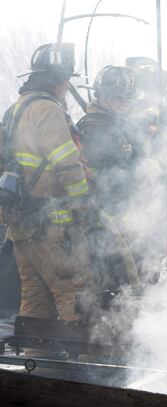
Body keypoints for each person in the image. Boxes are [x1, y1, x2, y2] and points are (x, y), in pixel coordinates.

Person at [2, 43, 94, 323]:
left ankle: (37, 358)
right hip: (51, 224)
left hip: (20, 226)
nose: (68, 86)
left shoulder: (14, 111)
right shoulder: (48, 110)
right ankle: (84, 363)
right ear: (57, 79)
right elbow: (67, 163)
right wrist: (84, 204)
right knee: (74, 291)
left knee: (35, 296)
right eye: (66, 79)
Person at [76, 65, 141, 292]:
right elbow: (106, 177)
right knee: (107, 279)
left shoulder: (116, 125)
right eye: (119, 100)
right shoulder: (94, 129)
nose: (124, 105)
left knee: (126, 276)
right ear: (102, 97)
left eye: (127, 100)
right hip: (102, 219)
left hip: (121, 216)